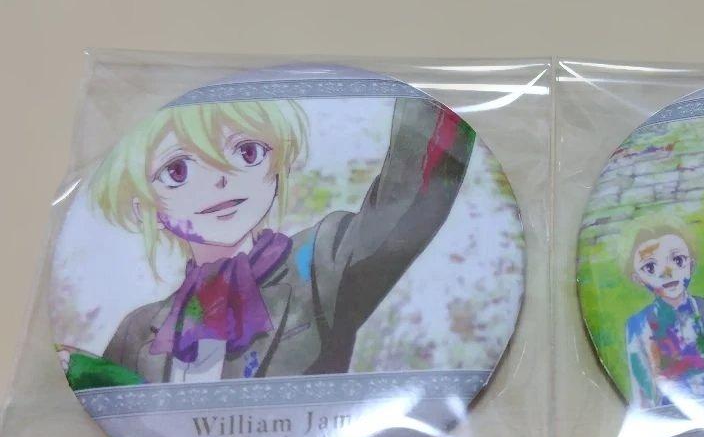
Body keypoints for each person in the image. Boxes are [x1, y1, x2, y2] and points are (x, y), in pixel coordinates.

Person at [63, 95, 473, 387]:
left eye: (247, 152)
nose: (221, 179)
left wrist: (435, 97)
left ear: (276, 166)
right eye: (178, 171)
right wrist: (91, 375)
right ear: (143, 206)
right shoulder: (138, 331)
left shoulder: (319, 262)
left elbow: (406, 204)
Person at [623, 225, 704, 409]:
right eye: (650, 267)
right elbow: (642, 392)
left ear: (691, 265)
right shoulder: (638, 326)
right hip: (670, 416)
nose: (667, 272)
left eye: (678, 260)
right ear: (638, 278)